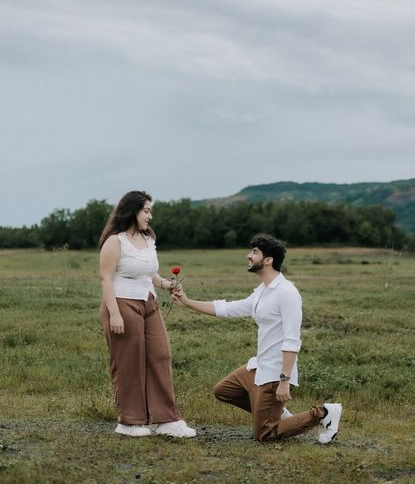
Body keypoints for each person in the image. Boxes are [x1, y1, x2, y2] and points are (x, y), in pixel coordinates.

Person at [172, 233, 342, 443]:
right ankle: (277, 413)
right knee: (223, 391)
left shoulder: (287, 293)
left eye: (254, 252)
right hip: (258, 367)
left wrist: (284, 381)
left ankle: (325, 412)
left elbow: (292, 341)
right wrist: (188, 302)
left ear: (268, 260)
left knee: (264, 433)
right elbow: (228, 308)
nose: (248, 256)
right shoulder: (263, 291)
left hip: (274, 373)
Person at [99, 190, 196, 438]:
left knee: (160, 355)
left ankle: (167, 420)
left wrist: (165, 284)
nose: (150, 216)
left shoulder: (147, 239)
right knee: (129, 362)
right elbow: (106, 279)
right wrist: (114, 315)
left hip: (148, 302)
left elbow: (149, 272)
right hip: (122, 303)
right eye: (146, 210)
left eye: (150, 210)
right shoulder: (115, 241)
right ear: (133, 211)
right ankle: (129, 422)